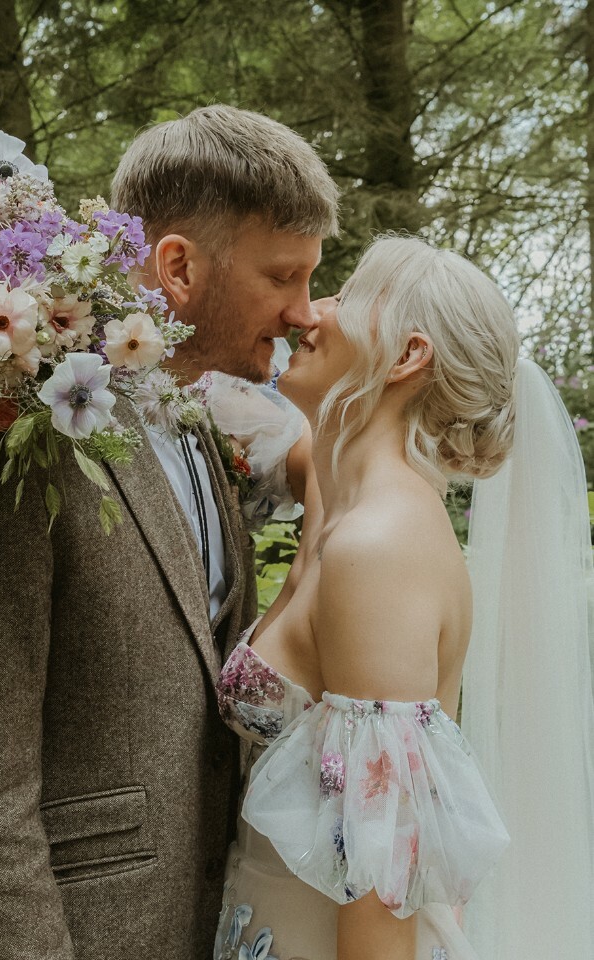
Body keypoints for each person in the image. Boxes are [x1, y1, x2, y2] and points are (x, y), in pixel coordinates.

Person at [0, 105, 338, 960]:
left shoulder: (200, 419)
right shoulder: (21, 431)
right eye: (283, 277)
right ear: (179, 266)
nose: (304, 312)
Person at [213, 235, 594, 959]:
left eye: (347, 295)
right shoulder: (348, 505)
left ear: (408, 356)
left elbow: (383, 877)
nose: (310, 311)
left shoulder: (378, 549)